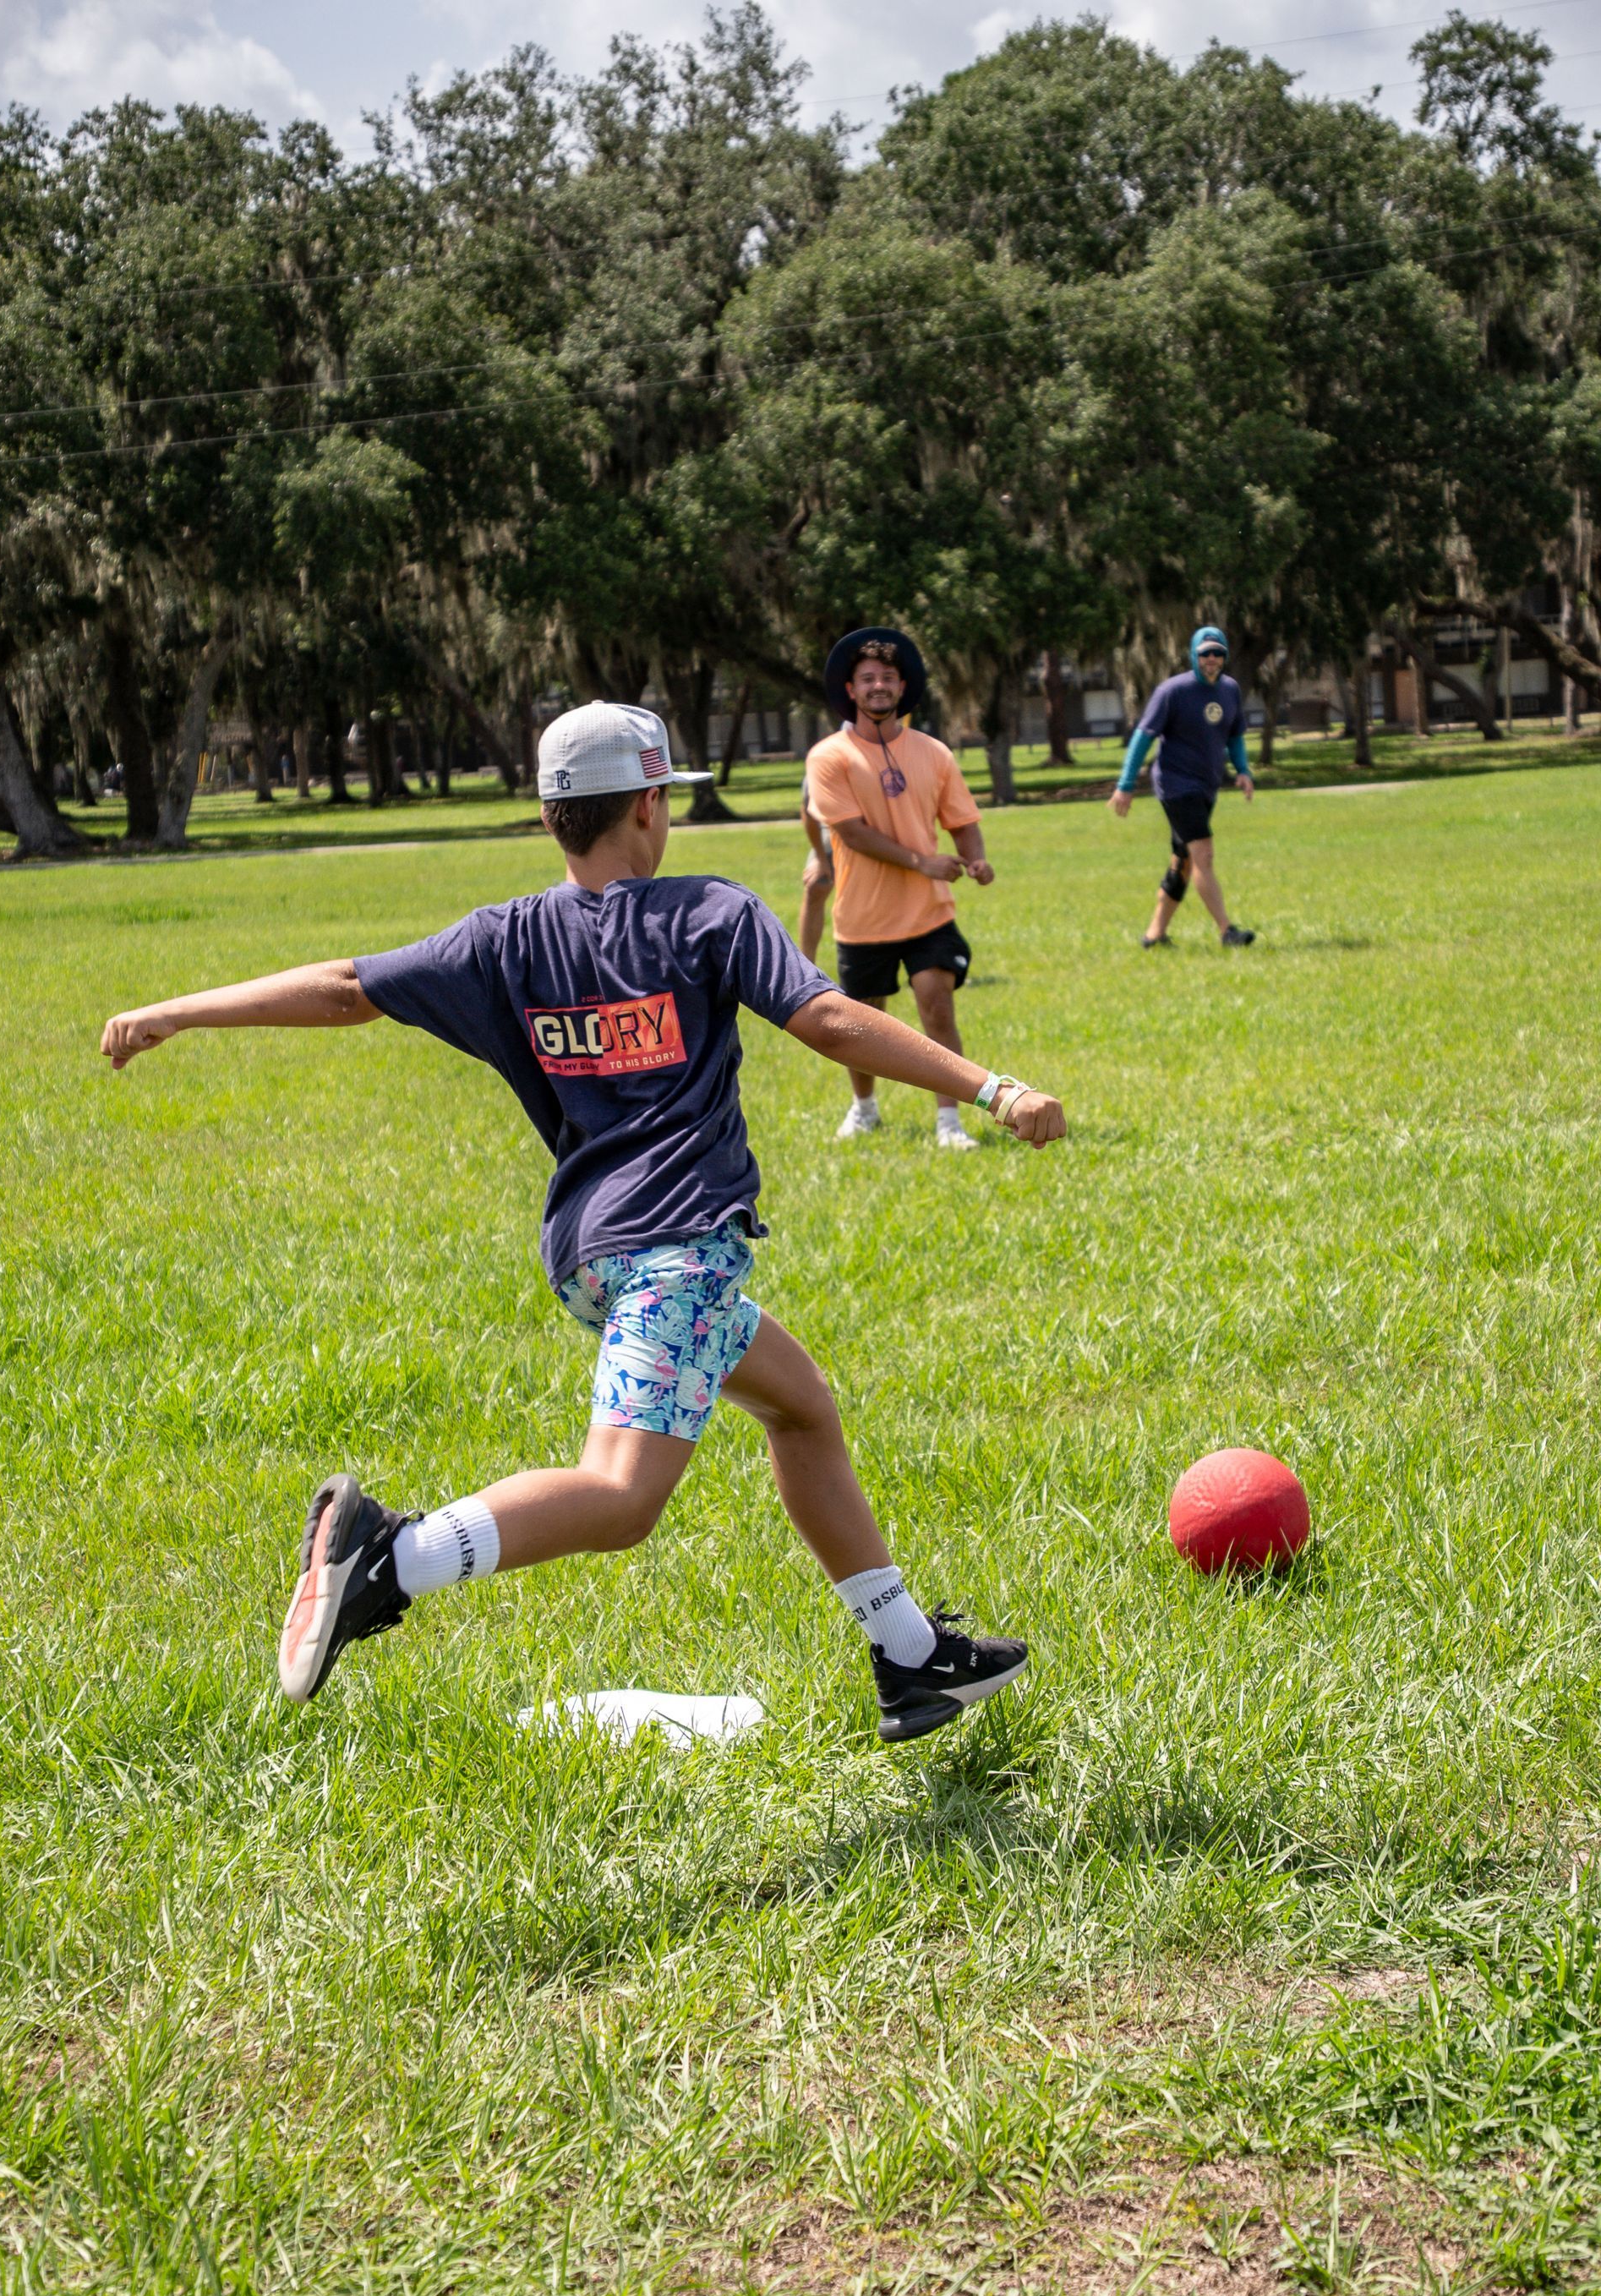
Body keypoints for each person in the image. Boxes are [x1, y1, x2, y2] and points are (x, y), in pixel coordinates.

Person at [100, 701, 1065, 1747]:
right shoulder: (709, 913)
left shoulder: (505, 940)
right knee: (621, 1498)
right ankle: (390, 1555)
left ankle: (911, 1657)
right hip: (680, 1244)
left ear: (552, 816)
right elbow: (828, 1018)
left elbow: (345, 989)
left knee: (800, 1408)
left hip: (593, 1255)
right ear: (649, 807)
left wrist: (177, 1010)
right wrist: (992, 1087)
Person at [806, 627, 994, 1150]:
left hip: (929, 913)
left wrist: (977, 858)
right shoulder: (828, 757)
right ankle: (864, 1108)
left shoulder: (934, 752)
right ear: (851, 690)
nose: (878, 686)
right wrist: (921, 862)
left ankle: (949, 1121)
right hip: (862, 917)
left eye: (887, 677)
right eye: (867, 678)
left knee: (937, 1005)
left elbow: (962, 819)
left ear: (902, 686)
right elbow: (850, 833)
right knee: (863, 1025)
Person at [1109, 626, 1258, 949]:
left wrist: (1243, 770)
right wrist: (1125, 784)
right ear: (1193, 655)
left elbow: (1235, 735)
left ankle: (1154, 935)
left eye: (1218, 653)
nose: (1212, 659)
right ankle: (1227, 931)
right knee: (1203, 854)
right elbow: (1143, 737)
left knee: (1184, 861)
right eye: (1205, 653)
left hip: (1206, 786)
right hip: (1176, 785)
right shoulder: (1173, 692)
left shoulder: (1230, 690)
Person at [797, 774, 834, 961]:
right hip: (835, 827)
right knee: (816, 885)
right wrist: (820, 857)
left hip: (878, 826)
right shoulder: (823, 761)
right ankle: (805, 966)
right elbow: (808, 809)